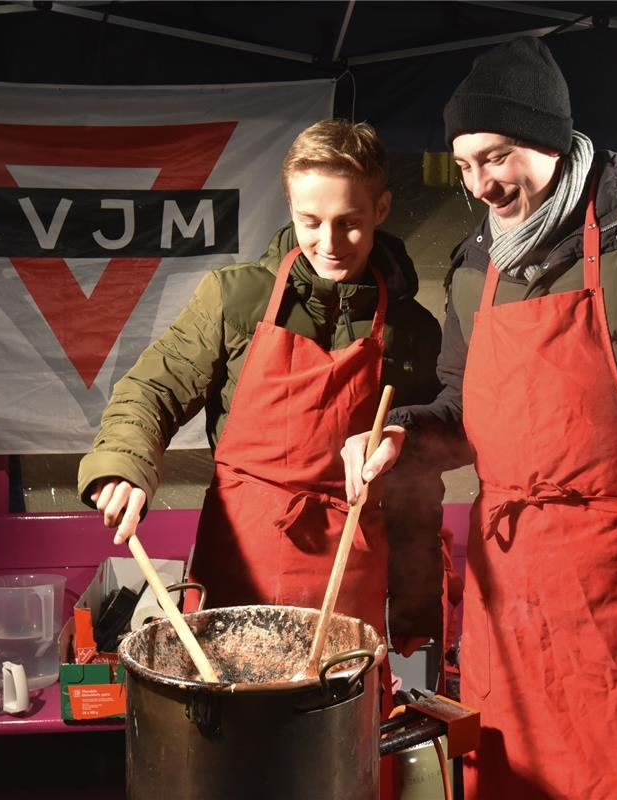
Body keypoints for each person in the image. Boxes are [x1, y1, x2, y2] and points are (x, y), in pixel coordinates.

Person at [342, 37, 617, 799]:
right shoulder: (476, 260)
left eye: (496, 157)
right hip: (507, 597)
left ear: (547, 139)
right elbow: (465, 406)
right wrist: (406, 435)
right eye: (463, 166)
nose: (479, 184)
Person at [78, 118, 447, 655]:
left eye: (349, 222)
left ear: (382, 210)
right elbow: (151, 391)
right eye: (311, 221)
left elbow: (419, 473)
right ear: (291, 210)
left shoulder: (409, 330)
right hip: (240, 559)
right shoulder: (237, 298)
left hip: (348, 571)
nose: (330, 242)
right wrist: (124, 467)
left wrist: (415, 604)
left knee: (336, 727)